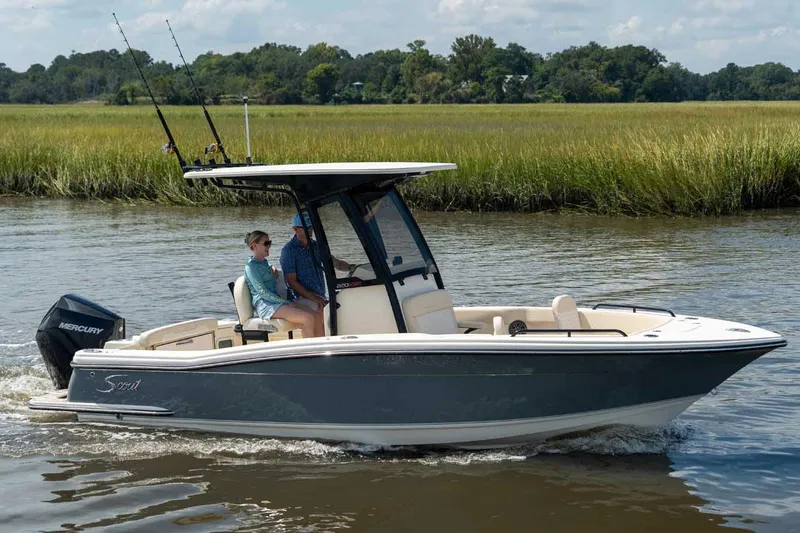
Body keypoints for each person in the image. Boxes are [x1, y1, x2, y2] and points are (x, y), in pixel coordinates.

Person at [244, 230, 321, 339]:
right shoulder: (251, 267)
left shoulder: (264, 263)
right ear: (254, 245)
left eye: (269, 243)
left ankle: (320, 348)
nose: (269, 246)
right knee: (307, 318)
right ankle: (310, 352)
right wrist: (284, 302)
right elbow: (262, 292)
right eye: (266, 243)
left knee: (316, 316)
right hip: (266, 305)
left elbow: (268, 270)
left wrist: (273, 269)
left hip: (276, 302)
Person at [280, 212, 353, 313]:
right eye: (308, 227)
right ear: (296, 229)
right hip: (299, 298)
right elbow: (291, 281)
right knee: (324, 312)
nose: (311, 229)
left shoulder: (317, 246)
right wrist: (312, 297)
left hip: (319, 295)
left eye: (312, 226)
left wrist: (352, 268)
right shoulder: (288, 250)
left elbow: (336, 263)